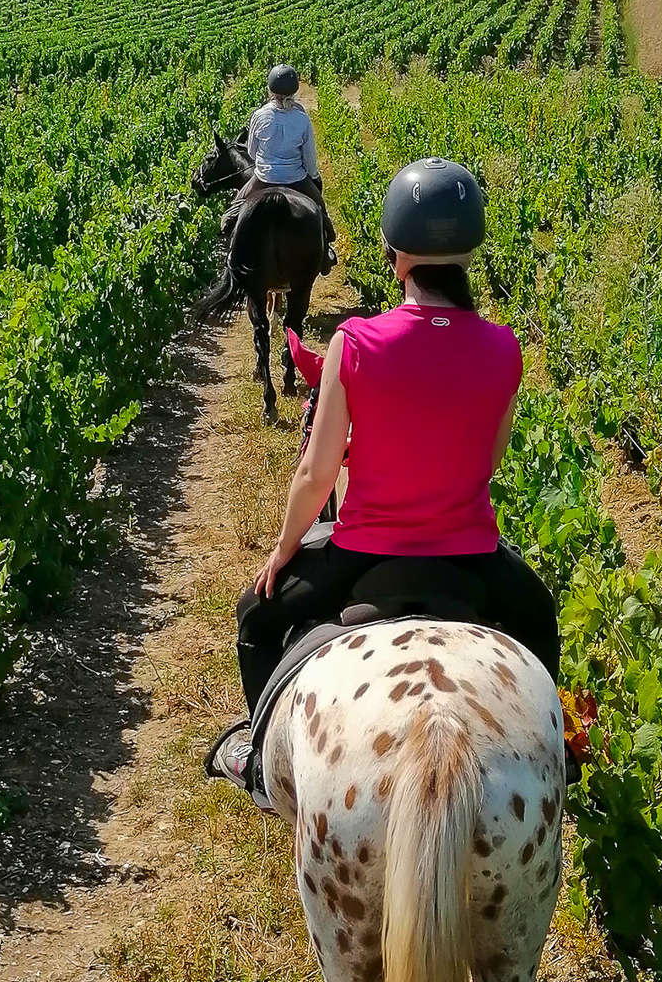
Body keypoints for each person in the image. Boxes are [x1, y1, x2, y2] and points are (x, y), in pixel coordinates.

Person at [213, 157, 558, 794]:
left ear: (397, 253)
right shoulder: (505, 347)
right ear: (469, 249)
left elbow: (318, 473)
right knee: (540, 616)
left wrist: (284, 550)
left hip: (362, 550)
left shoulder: (357, 342)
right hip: (471, 552)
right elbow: (487, 463)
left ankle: (258, 759)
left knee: (255, 618)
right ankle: (560, 755)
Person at [220, 63, 337, 271]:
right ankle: (326, 248)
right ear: (294, 91)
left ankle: (230, 252)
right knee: (320, 210)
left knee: (231, 214)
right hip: (296, 179)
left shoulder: (259, 116)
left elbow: (253, 153)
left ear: (270, 90)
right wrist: (313, 175)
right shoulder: (302, 119)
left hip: (263, 178)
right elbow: (309, 159)